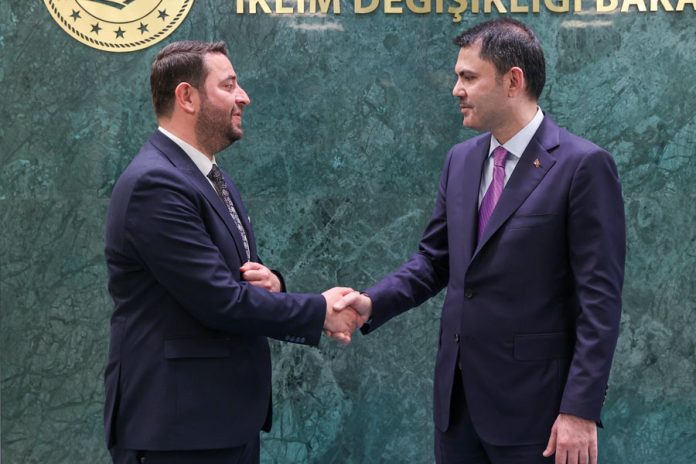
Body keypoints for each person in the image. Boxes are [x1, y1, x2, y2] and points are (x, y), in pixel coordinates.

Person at [333, 18, 625, 464]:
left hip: (539, 414)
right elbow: (434, 260)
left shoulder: (583, 166)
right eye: (458, 77)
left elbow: (600, 301)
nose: (456, 89)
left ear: (513, 81)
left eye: (468, 77)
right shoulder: (461, 160)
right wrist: (371, 303)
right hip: (458, 409)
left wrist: (579, 409)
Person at [103, 40, 360, 464]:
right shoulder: (156, 184)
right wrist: (319, 311)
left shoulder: (205, 175)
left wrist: (272, 283)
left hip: (219, 422)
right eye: (228, 85)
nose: (244, 96)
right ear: (187, 97)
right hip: (177, 432)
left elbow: (226, 278)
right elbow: (219, 299)